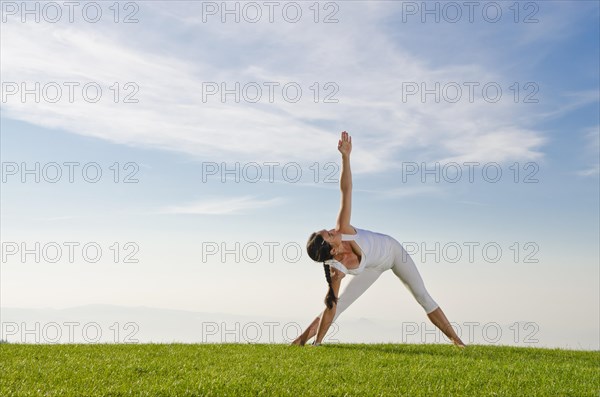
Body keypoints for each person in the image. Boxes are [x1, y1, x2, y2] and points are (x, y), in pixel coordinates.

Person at [292, 131, 466, 348]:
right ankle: (300, 342)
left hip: (393, 253)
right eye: (328, 235)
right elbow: (330, 306)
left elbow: (346, 190)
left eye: (326, 230)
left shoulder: (342, 228)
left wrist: (345, 157)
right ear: (333, 251)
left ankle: (458, 343)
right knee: (340, 304)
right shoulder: (336, 269)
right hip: (372, 268)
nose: (331, 230)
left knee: (423, 296)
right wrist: (317, 343)